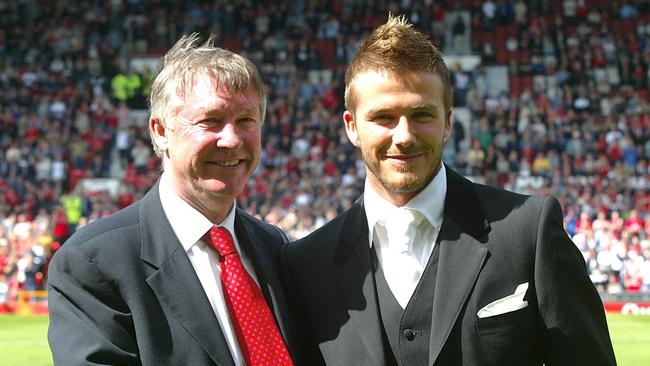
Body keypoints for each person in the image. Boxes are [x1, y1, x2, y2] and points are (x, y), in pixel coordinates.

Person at [282, 15, 616, 366]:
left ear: (448, 122)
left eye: (422, 114)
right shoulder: (306, 264)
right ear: (351, 127)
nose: (404, 135)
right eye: (383, 117)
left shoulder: (528, 233)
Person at [48, 34, 297, 366]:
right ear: (160, 131)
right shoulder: (94, 263)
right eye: (210, 121)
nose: (232, 139)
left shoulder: (275, 247)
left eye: (246, 121)